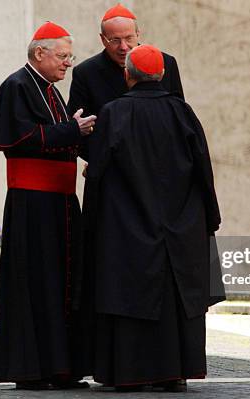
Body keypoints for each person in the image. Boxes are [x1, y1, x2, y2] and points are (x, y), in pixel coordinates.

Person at [83, 44, 225, 392]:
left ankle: (129, 373)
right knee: (176, 298)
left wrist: (91, 223)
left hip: (126, 226)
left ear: (128, 75)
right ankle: (173, 373)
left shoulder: (115, 113)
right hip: (182, 225)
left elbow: (98, 171)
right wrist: (211, 218)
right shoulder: (184, 113)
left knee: (129, 295)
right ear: (161, 74)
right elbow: (203, 171)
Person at [0, 21, 96, 390]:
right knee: (37, 284)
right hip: (32, 205)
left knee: (64, 283)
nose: (68, 64)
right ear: (40, 53)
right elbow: (19, 138)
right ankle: (33, 371)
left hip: (61, 205)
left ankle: (62, 368)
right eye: (64, 57)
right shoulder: (17, 86)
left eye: (71, 57)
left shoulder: (51, 90)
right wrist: (72, 130)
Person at [68, 3, 184, 119]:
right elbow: (79, 124)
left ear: (138, 34)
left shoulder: (165, 62)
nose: (123, 47)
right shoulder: (86, 73)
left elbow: (179, 113)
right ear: (103, 39)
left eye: (129, 38)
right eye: (115, 40)